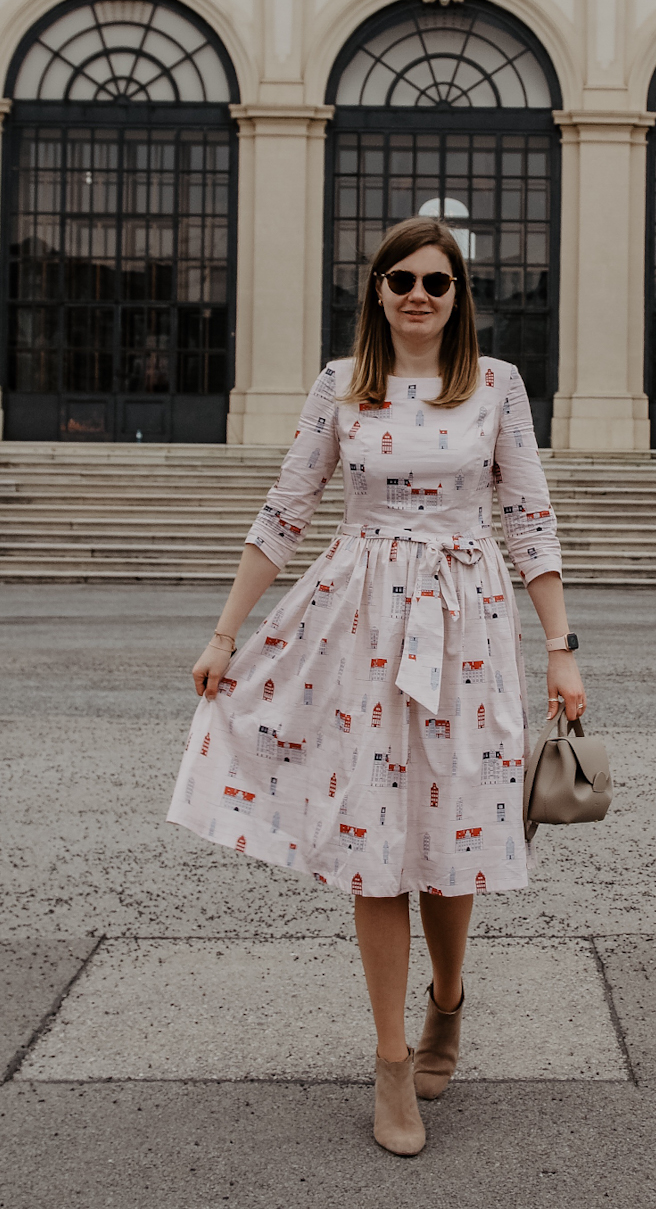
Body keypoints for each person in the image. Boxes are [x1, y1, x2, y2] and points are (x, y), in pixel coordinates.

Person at [169, 216, 585, 1158]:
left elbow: (529, 518)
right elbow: (286, 508)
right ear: (376, 291)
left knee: (453, 838)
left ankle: (448, 999)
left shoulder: (496, 387)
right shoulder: (340, 388)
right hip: (359, 622)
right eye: (399, 279)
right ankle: (390, 1059)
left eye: (435, 283)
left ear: (457, 297)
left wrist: (562, 647)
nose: (416, 296)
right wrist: (225, 630)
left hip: (468, 622)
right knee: (373, 841)